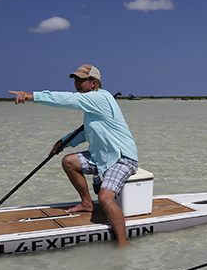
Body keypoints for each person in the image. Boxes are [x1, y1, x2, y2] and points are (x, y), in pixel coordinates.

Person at [9, 64, 139, 247]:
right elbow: (87, 132)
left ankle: (122, 244)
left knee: (104, 197)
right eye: (75, 80)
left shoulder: (99, 97)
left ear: (93, 83)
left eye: (81, 80)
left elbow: (66, 99)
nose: (77, 83)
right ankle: (87, 203)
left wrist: (32, 96)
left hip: (121, 158)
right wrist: (63, 142)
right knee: (69, 162)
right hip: (102, 157)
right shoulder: (92, 104)